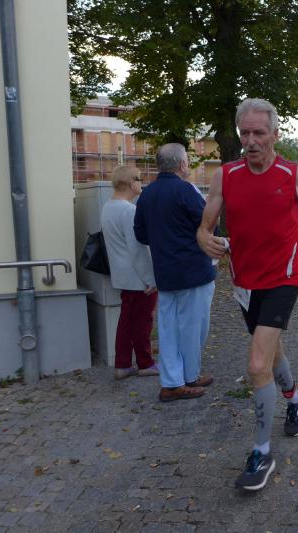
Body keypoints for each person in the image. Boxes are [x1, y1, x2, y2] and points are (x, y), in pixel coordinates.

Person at [197, 98, 298, 492]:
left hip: (284, 278)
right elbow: (205, 226)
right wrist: (204, 239)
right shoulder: (226, 176)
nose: (250, 140)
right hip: (244, 282)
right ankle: (295, 398)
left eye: (258, 133)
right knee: (271, 351)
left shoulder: (295, 175)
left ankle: (261, 452)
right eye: (245, 133)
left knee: (257, 364)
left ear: (274, 134)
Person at [134, 143, 216, 402]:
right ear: (182, 164)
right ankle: (184, 379)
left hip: (165, 272)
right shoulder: (185, 190)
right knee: (194, 328)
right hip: (193, 271)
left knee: (169, 329)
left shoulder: (147, 194)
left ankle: (175, 380)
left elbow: (140, 234)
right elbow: (207, 224)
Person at [100, 166, 159, 380]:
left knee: (126, 321)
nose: (142, 183)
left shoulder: (108, 206)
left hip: (123, 274)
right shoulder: (128, 211)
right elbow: (137, 249)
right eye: (140, 179)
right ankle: (145, 363)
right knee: (142, 322)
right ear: (132, 182)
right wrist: (151, 279)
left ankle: (123, 364)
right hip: (138, 277)